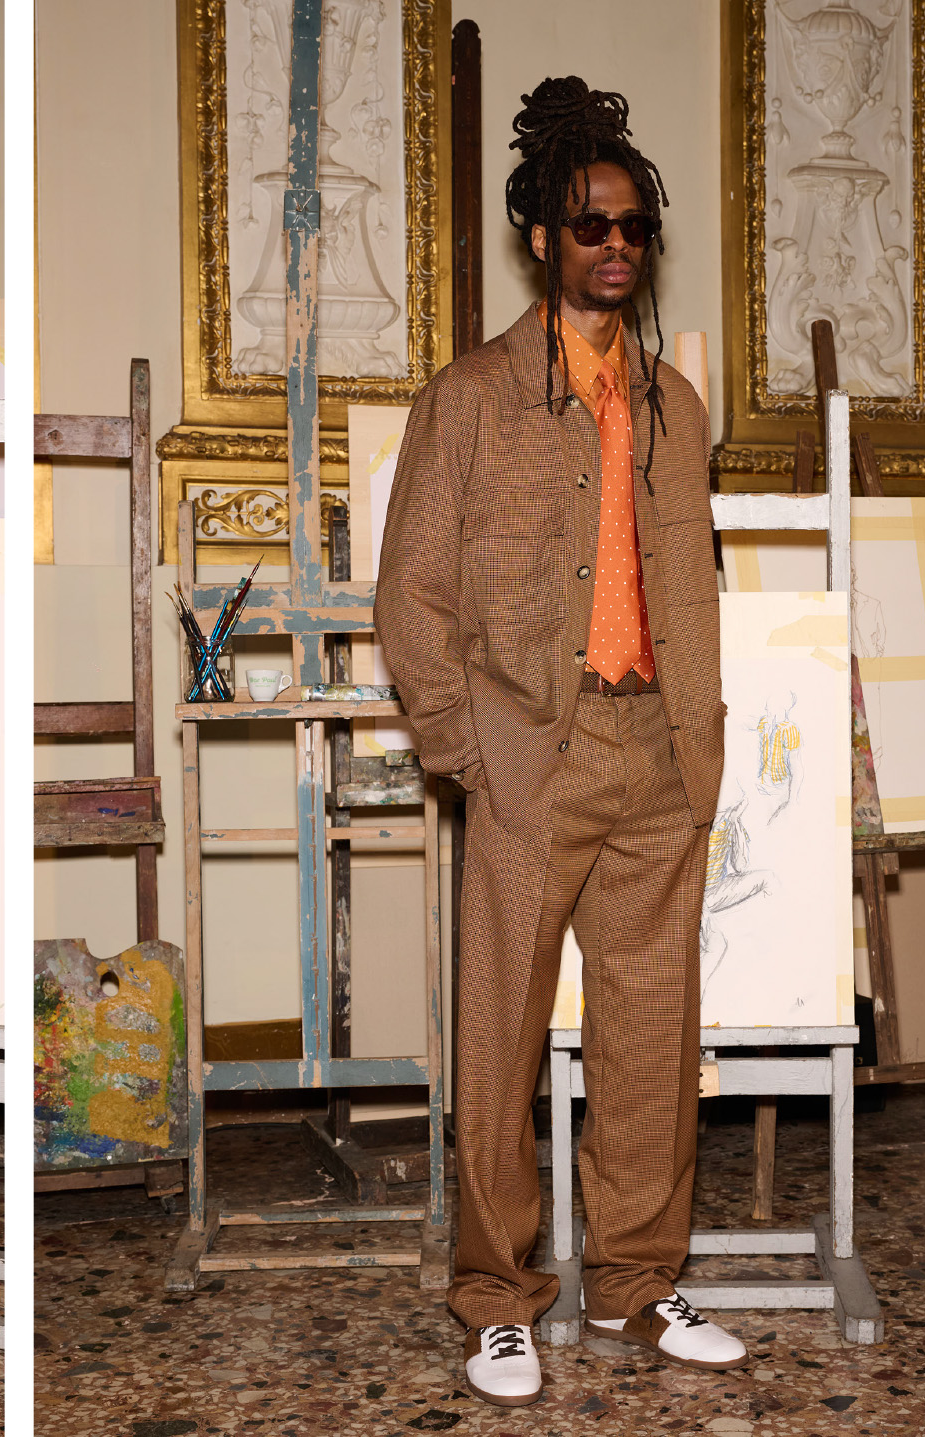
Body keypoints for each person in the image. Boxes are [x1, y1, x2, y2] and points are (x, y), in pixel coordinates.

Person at [374, 76, 751, 1409]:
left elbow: (692, 590)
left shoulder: (678, 411)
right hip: (531, 757)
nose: (617, 245)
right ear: (543, 235)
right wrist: (469, 748)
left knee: (651, 1040)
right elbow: (411, 596)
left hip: (659, 758)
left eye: (636, 226)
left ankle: (637, 1282)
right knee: (503, 1042)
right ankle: (497, 1299)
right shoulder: (471, 400)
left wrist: (701, 745)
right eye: (592, 223)